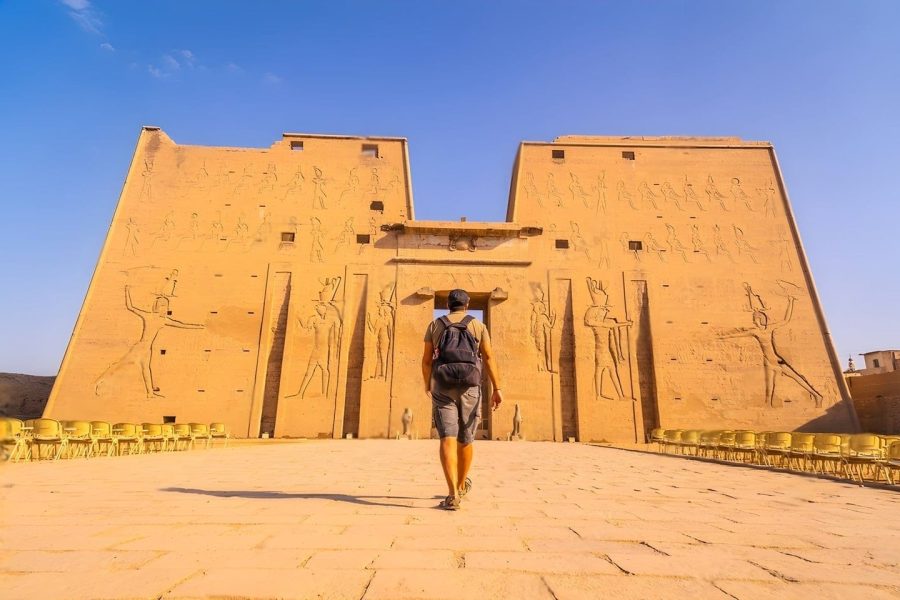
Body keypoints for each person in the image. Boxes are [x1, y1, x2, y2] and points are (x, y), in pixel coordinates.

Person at [422, 289, 503, 510]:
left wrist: (427, 383)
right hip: (470, 385)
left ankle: (452, 494)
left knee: (447, 437)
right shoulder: (477, 326)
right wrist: (497, 387)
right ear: (467, 305)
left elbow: (427, 360)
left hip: (443, 384)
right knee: (466, 438)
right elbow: (488, 356)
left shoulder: (436, 325)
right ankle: (460, 485)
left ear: (448, 305)